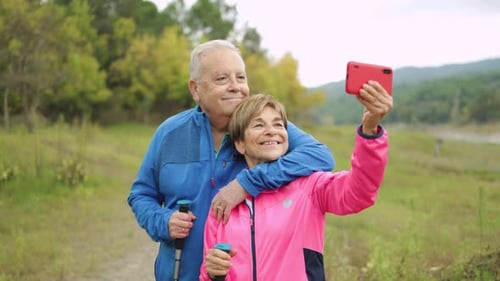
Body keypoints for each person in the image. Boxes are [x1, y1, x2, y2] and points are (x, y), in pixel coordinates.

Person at [127, 40, 334, 281]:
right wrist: (163, 222)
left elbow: (320, 156)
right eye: (222, 79)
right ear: (195, 89)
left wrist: (247, 183)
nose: (236, 87)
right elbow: (141, 194)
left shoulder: (265, 130)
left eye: (241, 78)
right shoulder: (169, 133)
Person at [200, 90, 392, 280]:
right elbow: (208, 275)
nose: (271, 130)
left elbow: (359, 193)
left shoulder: (310, 186)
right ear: (240, 144)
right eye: (259, 125)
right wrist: (212, 272)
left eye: (278, 124)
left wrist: (370, 131)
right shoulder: (224, 203)